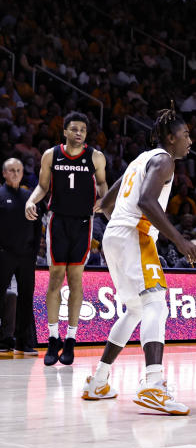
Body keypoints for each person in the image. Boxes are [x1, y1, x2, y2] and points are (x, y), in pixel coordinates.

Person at [79, 106, 196, 415]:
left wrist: (120, 229)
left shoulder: (139, 160)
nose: (190, 140)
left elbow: (105, 203)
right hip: (134, 235)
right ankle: (153, 384)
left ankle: (99, 380)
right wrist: (180, 240)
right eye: (186, 135)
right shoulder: (164, 160)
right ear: (171, 138)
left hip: (115, 235)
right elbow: (146, 201)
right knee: (156, 303)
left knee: (136, 309)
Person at [25, 111, 108, 366]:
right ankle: (53, 338)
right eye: (74, 129)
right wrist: (31, 199)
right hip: (57, 222)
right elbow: (42, 186)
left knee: (75, 281)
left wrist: (104, 202)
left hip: (83, 224)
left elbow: (104, 185)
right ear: (65, 132)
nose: (79, 133)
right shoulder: (51, 155)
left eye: (82, 129)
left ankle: (71, 340)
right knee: (55, 280)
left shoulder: (95, 156)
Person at [0, 158, 40, 355]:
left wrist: (33, 252)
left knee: (25, 298)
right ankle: (3, 340)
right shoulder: (0, 194)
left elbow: (37, 226)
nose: (15, 173)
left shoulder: (29, 197)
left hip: (26, 256)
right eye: (11, 170)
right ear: (4, 174)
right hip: (4, 254)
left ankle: (23, 342)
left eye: (18, 170)